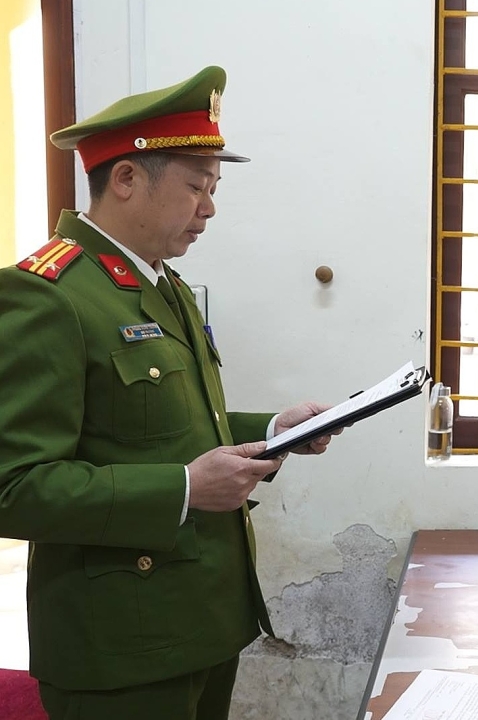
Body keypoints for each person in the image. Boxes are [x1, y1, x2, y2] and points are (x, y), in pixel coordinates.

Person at [0, 66, 338, 719]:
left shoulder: (162, 284)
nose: (209, 208)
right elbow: (12, 487)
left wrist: (275, 430)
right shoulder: (48, 296)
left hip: (201, 623)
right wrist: (183, 488)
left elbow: (163, 424)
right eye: (196, 187)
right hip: (118, 648)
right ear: (127, 179)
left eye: (214, 189)